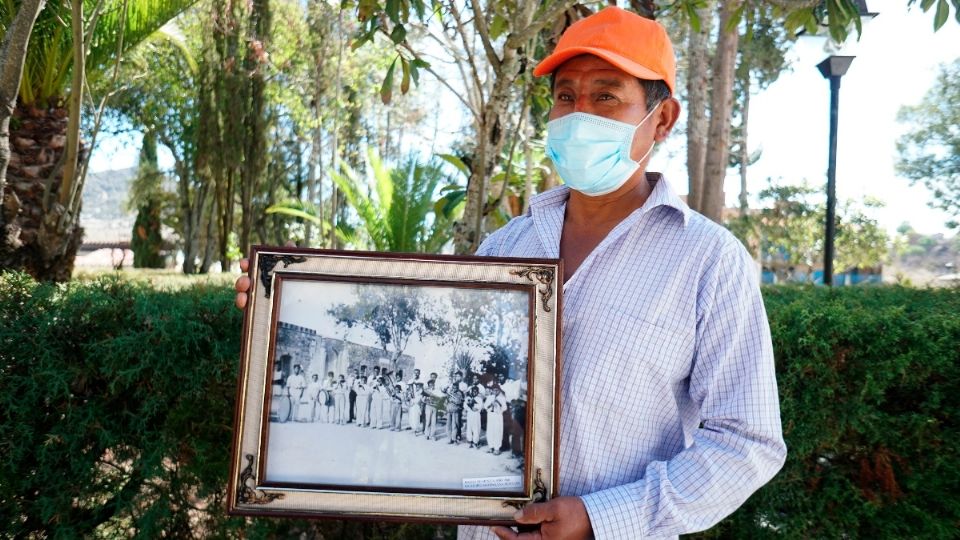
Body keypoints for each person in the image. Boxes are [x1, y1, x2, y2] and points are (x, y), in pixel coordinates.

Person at [234, 8, 785, 538]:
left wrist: (602, 518)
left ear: (661, 118)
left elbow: (747, 442)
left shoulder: (709, 262)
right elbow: (439, 350)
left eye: (605, 97)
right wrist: (282, 304)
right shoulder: (504, 248)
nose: (579, 115)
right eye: (565, 97)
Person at [483, 385, 507, 455]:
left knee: (497, 431)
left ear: (499, 391)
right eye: (494, 390)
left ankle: (497, 448)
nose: (495, 392)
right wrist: (491, 404)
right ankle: (491, 447)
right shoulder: (490, 397)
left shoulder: (502, 398)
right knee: (490, 431)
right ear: (492, 391)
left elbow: (505, 408)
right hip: (490, 415)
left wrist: (498, 404)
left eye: (497, 390)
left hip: (498, 416)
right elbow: (485, 406)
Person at [443, 371, 466, 444]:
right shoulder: (450, 392)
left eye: (455, 388)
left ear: (458, 388)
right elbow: (446, 400)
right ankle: (450, 438)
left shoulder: (459, 393)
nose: (454, 389)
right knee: (448, 425)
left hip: (456, 410)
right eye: (453, 387)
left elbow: (459, 401)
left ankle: (454, 438)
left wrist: (452, 399)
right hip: (449, 410)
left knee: (455, 425)